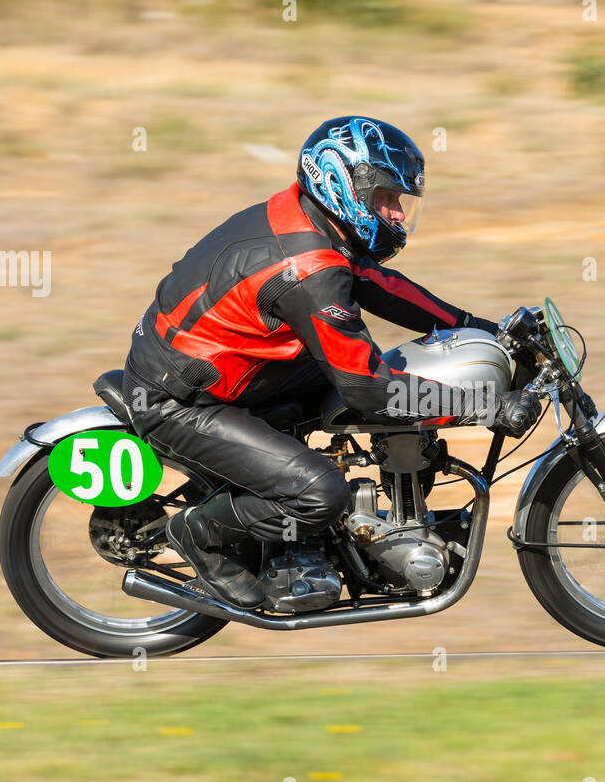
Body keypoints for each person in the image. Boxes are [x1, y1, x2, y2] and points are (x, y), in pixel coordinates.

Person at [121, 115, 541, 608]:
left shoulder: (310, 218)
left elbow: (379, 286)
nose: (398, 214)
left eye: (400, 202)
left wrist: (483, 327)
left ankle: (316, 539)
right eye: (387, 199)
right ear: (344, 184)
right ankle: (200, 533)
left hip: (232, 369)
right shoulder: (308, 270)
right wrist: (484, 406)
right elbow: (368, 387)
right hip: (181, 399)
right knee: (323, 490)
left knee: (383, 386)